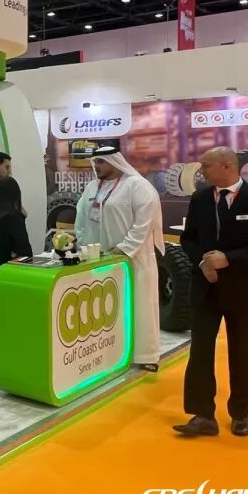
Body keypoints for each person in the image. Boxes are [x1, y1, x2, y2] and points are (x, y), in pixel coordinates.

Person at [174, 147, 248, 438]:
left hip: (245, 292)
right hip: (205, 290)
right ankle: (202, 415)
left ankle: (240, 413)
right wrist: (202, 261)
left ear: (226, 166)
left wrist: (230, 259)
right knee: (200, 353)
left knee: (243, 354)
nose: (201, 171)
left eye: (206, 166)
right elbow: (188, 239)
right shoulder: (200, 198)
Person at [73, 148, 164, 371]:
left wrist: (123, 249)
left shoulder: (137, 186)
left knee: (140, 307)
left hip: (134, 260)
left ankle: (145, 355)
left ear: (115, 162)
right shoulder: (92, 187)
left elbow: (144, 223)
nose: (97, 166)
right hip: (99, 260)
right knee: (105, 309)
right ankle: (109, 355)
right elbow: (81, 219)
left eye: (101, 162)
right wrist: (86, 247)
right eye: (95, 162)